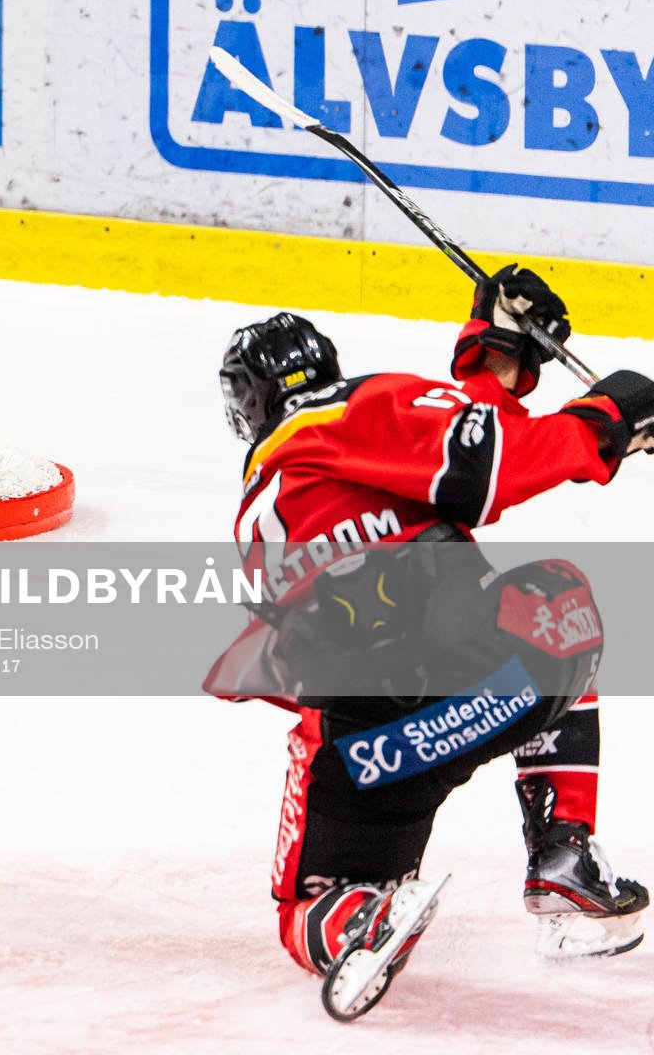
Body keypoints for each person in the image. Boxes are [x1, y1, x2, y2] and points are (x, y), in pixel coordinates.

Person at [209, 267, 653, 1015]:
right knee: (554, 597)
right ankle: (562, 851)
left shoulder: (261, 505)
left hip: (370, 750)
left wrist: (493, 348)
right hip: (491, 684)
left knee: (303, 909)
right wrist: (604, 420)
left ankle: (359, 916)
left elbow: (450, 445)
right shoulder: (360, 407)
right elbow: (483, 465)